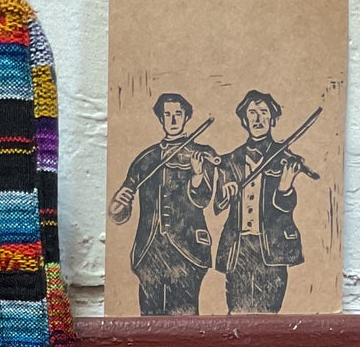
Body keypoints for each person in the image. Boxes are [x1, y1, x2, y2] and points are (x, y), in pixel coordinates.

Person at [109, 92, 215, 316]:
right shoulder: (145, 159)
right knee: (149, 320)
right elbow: (118, 212)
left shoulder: (201, 154)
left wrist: (197, 175)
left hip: (187, 251)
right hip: (149, 250)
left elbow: (203, 199)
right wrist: (121, 203)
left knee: (185, 319)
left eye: (178, 114)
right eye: (168, 115)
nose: (173, 120)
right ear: (161, 119)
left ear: (186, 117)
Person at [212, 90, 305, 315]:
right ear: (244, 120)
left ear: (272, 120)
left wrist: (285, 187)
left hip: (272, 250)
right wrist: (226, 192)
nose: (257, 119)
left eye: (264, 113)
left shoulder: (284, 158)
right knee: (237, 313)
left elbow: (285, 209)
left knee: (269, 317)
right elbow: (217, 206)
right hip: (239, 250)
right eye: (252, 113)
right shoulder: (229, 161)